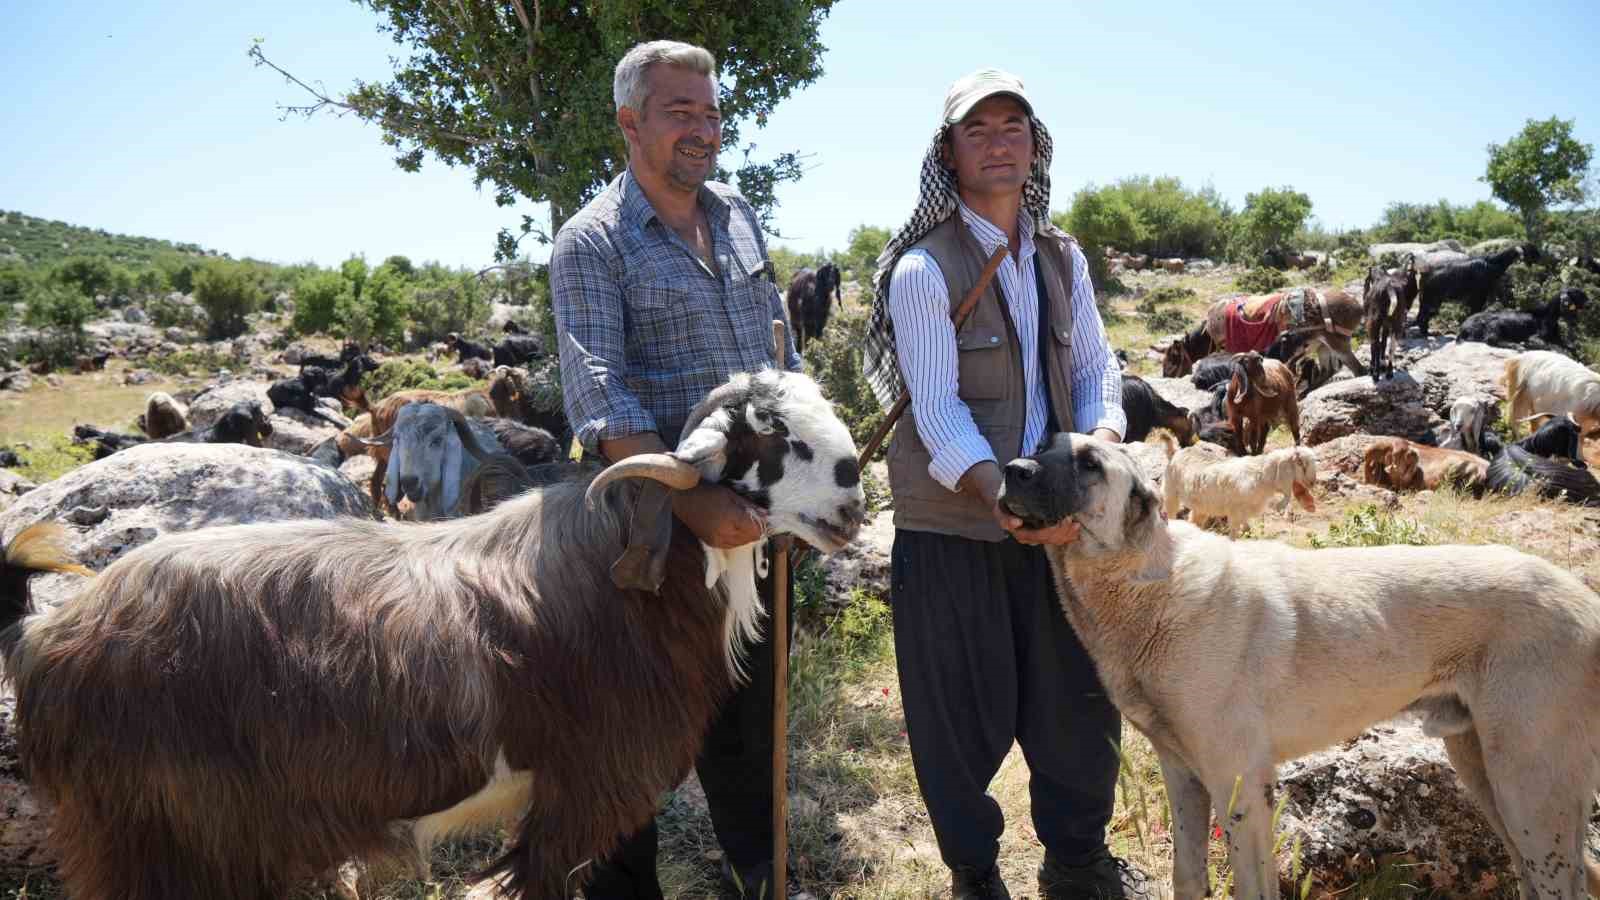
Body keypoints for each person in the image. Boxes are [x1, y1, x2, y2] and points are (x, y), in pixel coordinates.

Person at [861, 69, 1149, 900]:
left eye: (1012, 126)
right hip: (955, 533)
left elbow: (1098, 369)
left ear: (1034, 147)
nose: (997, 141)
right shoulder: (922, 269)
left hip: (1066, 531)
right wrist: (1004, 498)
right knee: (958, 721)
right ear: (949, 153)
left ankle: (1076, 864)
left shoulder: (1063, 259)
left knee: (1079, 708)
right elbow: (938, 411)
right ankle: (974, 876)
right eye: (976, 129)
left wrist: (1093, 459)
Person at [549, 39, 801, 900]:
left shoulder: (736, 214)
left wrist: (795, 478)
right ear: (630, 123)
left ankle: (761, 880)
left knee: (748, 722)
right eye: (679, 112)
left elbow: (780, 354)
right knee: (631, 740)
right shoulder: (592, 243)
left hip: (755, 523)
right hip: (651, 542)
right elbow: (601, 399)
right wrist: (696, 510)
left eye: (711, 112)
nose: (702, 129)